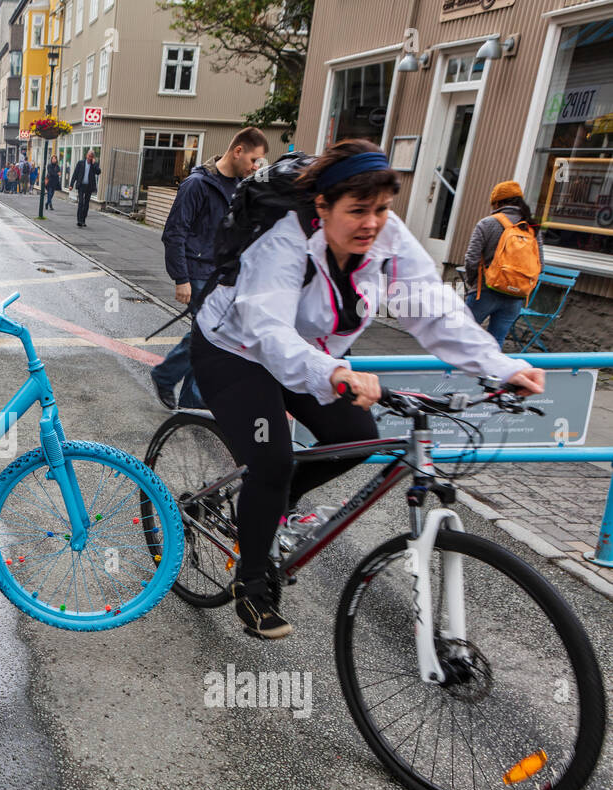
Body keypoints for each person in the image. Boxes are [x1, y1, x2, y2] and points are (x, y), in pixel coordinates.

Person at [188, 139, 543, 639]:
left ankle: (265, 511)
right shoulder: (285, 241)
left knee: (356, 438)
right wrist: (335, 373)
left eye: (381, 209)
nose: (372, 223)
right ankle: (252, 584)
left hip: (313, 354)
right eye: (357, 211)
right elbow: (268, 330)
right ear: (322, 206)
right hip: (236, 348)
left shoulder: (386, 237)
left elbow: (431, 308)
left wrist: (500, 366)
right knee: (272, 460)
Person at [152, 127, 269, 409]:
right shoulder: (197, 185)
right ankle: (192, 401)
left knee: (208, 335)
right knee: (207, 337)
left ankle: (170, 380)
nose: (256, 167)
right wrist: (181, 278)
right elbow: (175, 233)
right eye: (254, 160)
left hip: (222, 275)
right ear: (238, 150)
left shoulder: (241, 188)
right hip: (196, 272)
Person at [464, 180, 545, 347]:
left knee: (461, 338)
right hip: (515, 298)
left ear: (498, 203)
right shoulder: (532, 227)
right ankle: (490, 374)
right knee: (496, 343)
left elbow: (471, 259)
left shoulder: (487, 223)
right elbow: (540, 265)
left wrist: (473, 283)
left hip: (485, 292)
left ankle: (452, 373)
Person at [71, 150, 101, 227]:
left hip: (89, 186)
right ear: (86, 155)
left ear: (93, 157)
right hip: (81, 185)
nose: (89, 158)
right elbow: (75, 174)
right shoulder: (80, 163)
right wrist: (71, 184)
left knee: (86, 204)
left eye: (91, 157)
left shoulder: (94, 164)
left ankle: (83, 220)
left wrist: (94, 164)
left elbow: (98, 172)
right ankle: (79, 220)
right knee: (81, 203)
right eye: (89, 156)